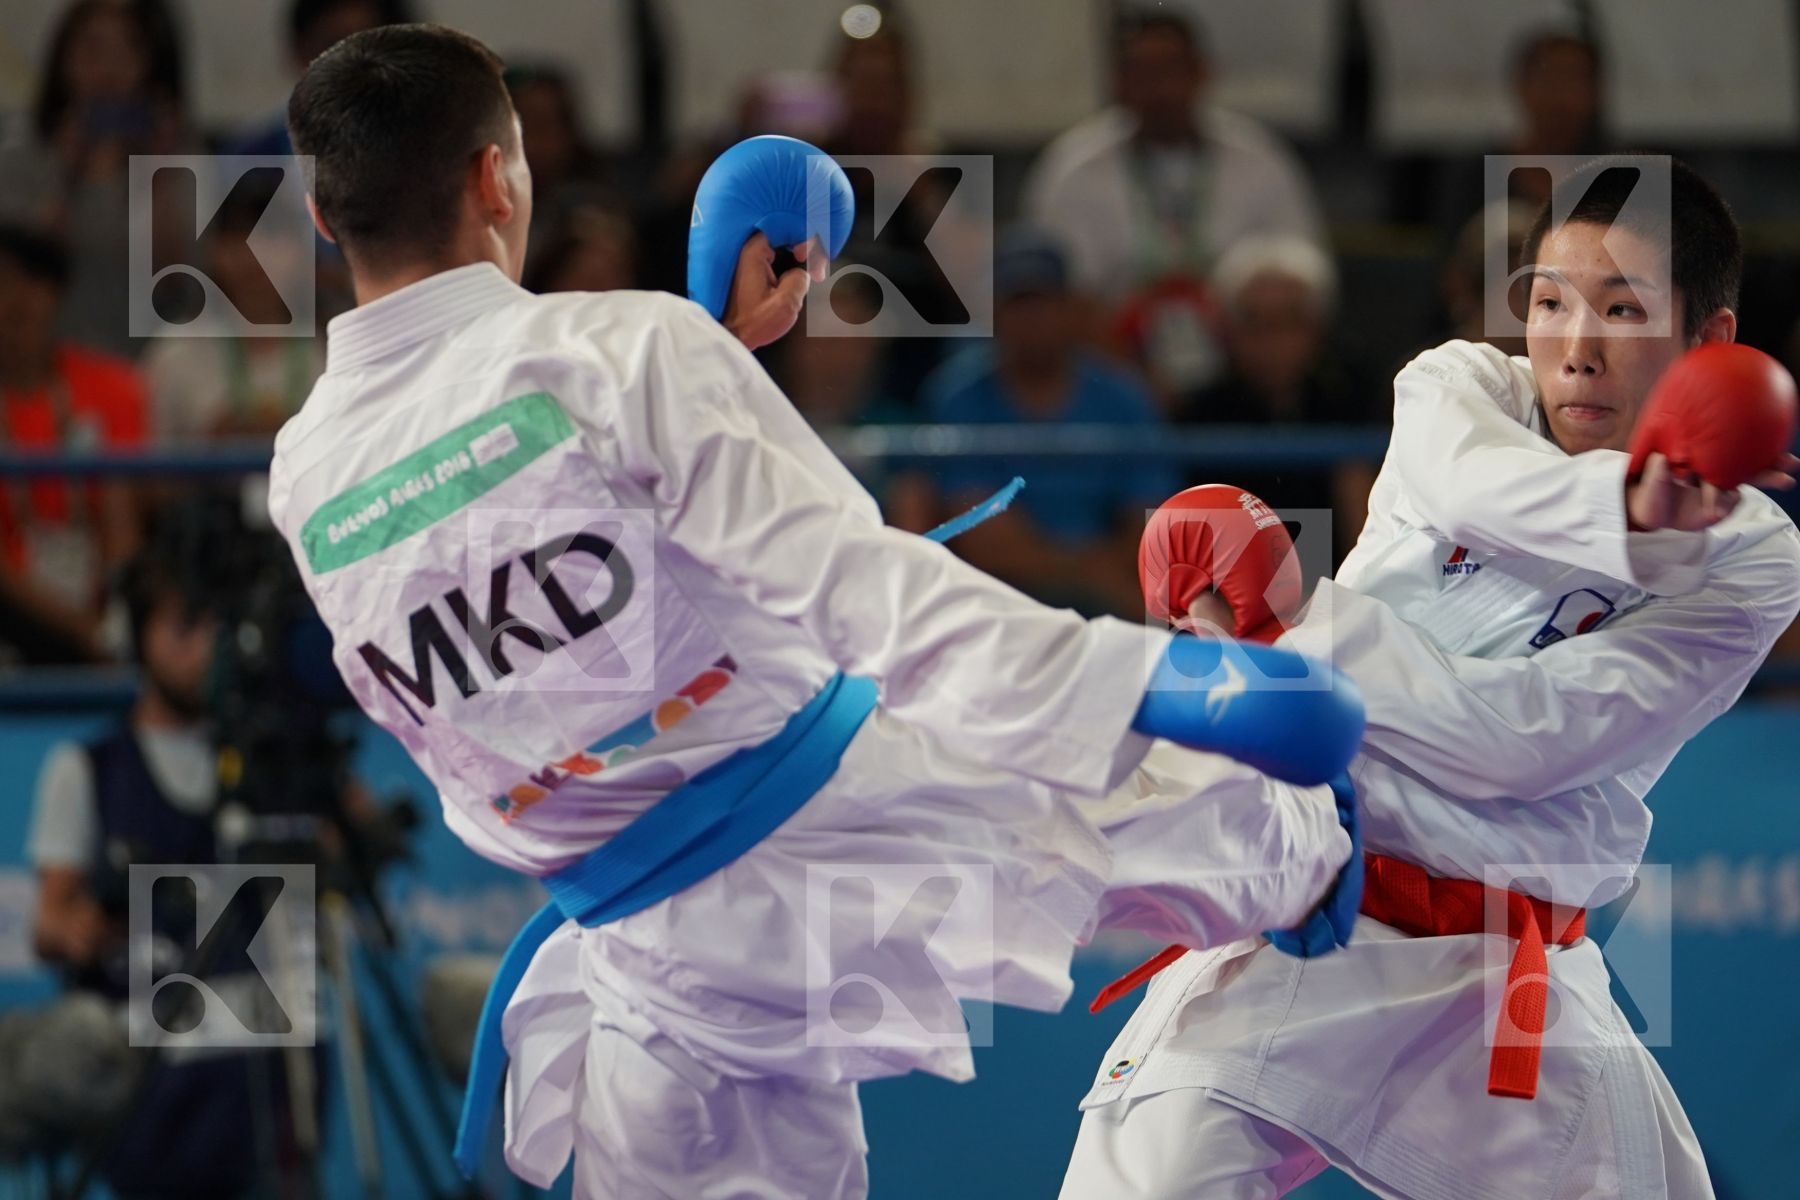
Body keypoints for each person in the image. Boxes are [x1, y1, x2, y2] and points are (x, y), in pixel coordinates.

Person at [268, 25, 1366, 1199]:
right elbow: (860, 593)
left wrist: (714, 362)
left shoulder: (306, 473)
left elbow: (534, 567)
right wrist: (1158, 681)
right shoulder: (616, 350)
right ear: (496, 177)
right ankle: (1338, 872)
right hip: (838, 831)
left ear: (324, 218)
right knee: (1277, 817)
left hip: (646, 960)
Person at [1060, 157, 1800, 1199]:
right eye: (1550, 303)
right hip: (1318, 908)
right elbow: (1482, 493)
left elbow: (1528, 743)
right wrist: (1633, 512)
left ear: (1709, 342)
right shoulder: (1456, 389)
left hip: (1505, 968)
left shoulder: (1751, 554)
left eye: (1623, 309)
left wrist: (1291, 637)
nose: (1576, 348)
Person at [26, 513, 286, 1199]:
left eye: (220, 627)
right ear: (137, 636)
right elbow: (48, 922)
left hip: (261, 1106)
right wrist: (74, 928)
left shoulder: (275, 759)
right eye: (183, 626)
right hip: (150, 1111)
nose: (205, 648)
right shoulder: (86, 768)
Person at [1024, 10, 1324, 398]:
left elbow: (1307, 283)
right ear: (1117, 82)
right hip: (1113, 373)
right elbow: (1057, 299)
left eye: (1171, 70)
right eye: (1142, 73)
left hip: (1243, 375)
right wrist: (1134, 382)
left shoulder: (1262, 162)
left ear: (1202, 72)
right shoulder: (1072, 172)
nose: (1160, 89)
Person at [921, 226, 1176, 617]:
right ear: (995, 313)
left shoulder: (1122, 397)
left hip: (1113, 595)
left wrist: (1102, 578)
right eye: (1018, 304)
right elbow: (983, 539)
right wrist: (1086, 570)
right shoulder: (959, 397)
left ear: (1070, 309)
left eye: (1044, 303)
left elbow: (1150, 524)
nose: (1032, 320)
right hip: (997, 602)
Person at [0, 0, 190, 359]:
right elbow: (19, 276)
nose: (109, 68)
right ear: (64, 56)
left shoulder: (177, 153)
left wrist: (158, 177)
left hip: (147, 358)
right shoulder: (22, 151)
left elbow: (179, 285)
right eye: (93, 48)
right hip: (40, 357)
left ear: (152, 63)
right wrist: (63, 174)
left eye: (128, 50)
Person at [0, 224, 144, 665]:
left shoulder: (113, 387)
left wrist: (113, 615)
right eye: (5, 284)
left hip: (99, 594)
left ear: (57, 295)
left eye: (33, 284)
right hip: (15, 604)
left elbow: (123, 518)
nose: (17, 301)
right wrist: (77, 627)